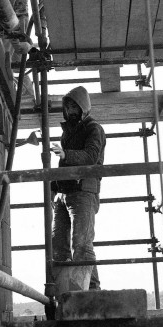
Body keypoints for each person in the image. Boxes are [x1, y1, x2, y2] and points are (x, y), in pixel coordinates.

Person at [51, 86, 106, 290]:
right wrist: (53, 189)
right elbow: (61, 165)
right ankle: (71, 292)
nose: (71, 110)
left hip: (83, 191)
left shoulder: (94, 129)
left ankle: (90, 292)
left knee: (81, 244)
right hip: (64, 194)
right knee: (59, 246)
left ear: (84, 107)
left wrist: (66, 155)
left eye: (75, 105)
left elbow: (91, 157)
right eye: (68, 106)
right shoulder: (68, 132)